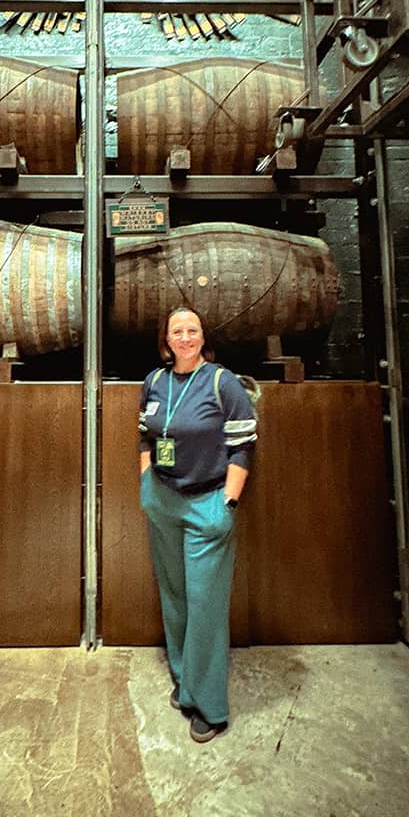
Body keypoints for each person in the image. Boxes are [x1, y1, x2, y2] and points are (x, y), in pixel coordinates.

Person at [138, 305, 258, 743]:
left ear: (202, 337)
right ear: (166, 339)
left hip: (208, 502)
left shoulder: (222, 383)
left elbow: (243, 447)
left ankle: (210, 706)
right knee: (174, 597)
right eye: (177, 331)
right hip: (164, 502)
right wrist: (147, 483)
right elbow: (145, 435)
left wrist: (228, 500)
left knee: (205, 604)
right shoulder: (155, 381)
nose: (185, 337)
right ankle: (185, 681)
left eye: (192, 330)